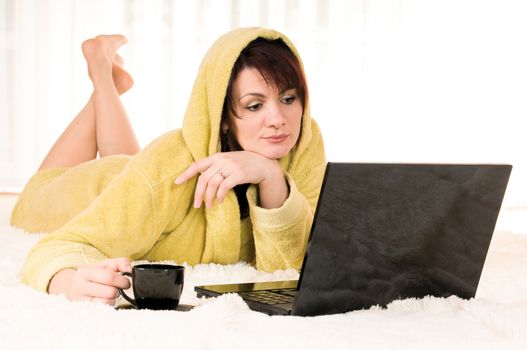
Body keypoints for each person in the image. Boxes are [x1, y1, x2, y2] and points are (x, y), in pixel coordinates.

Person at [11, 27, 326, 305]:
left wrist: (271, 176)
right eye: (254, 105)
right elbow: (53, 248)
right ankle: (101, 72)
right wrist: (66, 281)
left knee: (132, 167)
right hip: (78, 191)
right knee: (49, 185)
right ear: (222, 118)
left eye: (288, 98)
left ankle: (105, 76)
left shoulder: (302, 144)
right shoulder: (169, 168)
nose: (277, 120)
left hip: (133, 172)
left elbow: (300, 260)